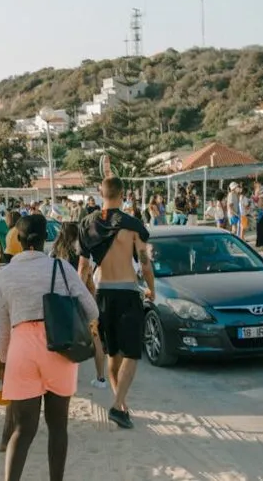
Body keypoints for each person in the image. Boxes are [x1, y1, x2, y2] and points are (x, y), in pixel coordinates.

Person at [0, 215, 99, 481]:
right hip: (59, 347)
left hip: (22, 349)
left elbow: (2, 327)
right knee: (58, 426)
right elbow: (92, 309)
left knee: (23, 429)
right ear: (44, 239)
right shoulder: (61, 268)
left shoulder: (5, 276)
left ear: (17, 240)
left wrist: (7, 360)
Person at [77, 176, 154, 429]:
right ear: (123, 193)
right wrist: (151, 289)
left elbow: (83, 268)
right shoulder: (132, 224)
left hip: (102, 294)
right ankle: (117, 405)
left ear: (101, 192)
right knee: (131, 353)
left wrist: (82, 297)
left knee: (113, 353)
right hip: (128, 292)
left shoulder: (88, 224)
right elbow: (144, 261)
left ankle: (120, 405)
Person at [51, 222, 107, 389]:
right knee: (96, 339)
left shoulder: (54, 255)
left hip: (62, 302)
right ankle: (101, 378)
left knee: (63, 341)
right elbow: (89, 280)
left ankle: (62, 378)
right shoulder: (82, 255)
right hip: (84, 300)